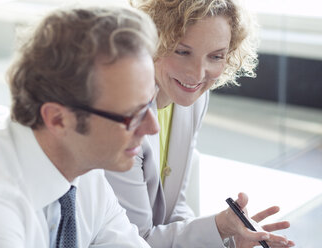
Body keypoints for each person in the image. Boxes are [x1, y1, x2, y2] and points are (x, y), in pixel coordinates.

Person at [105, 0, 295, 247]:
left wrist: (229, 240)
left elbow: (173, 209)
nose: (197, 74)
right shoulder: (122, 114)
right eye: (182, 52)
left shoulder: (192, 99)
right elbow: (135, 239)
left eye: (215, 56)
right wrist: (218, 227)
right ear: (153, 41)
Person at [0, 6, 159, 248]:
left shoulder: (85, 168)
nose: (153, 128)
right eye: (132, 115)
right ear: (58, 119)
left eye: (149, 103)